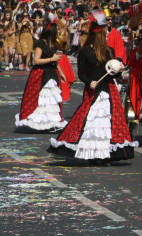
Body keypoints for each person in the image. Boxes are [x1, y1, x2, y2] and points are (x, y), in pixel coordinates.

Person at [49, 11, 136, 163]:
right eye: (103, 34)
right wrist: (89, 82)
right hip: (93, 91)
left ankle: (105, 153)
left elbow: (112, 74)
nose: (106, 37)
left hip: (108, 91)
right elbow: (82, 74)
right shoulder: (85, 52)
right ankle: (92, 153)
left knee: (108, 123)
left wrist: (119, 70)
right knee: (90, 122)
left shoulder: (110, 51)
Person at [15, 16, 67, 132]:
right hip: (41, 74)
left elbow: (55, 60)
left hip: (53, 74)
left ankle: (51, 123)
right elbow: (36, 61)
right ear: (52, 32)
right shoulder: (40, 43)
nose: (59, 32)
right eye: (57, 30)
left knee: (52, 101)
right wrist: (51, 59)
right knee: (42, 100)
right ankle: (40, 123)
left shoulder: (55, 44)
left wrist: (61, 72)